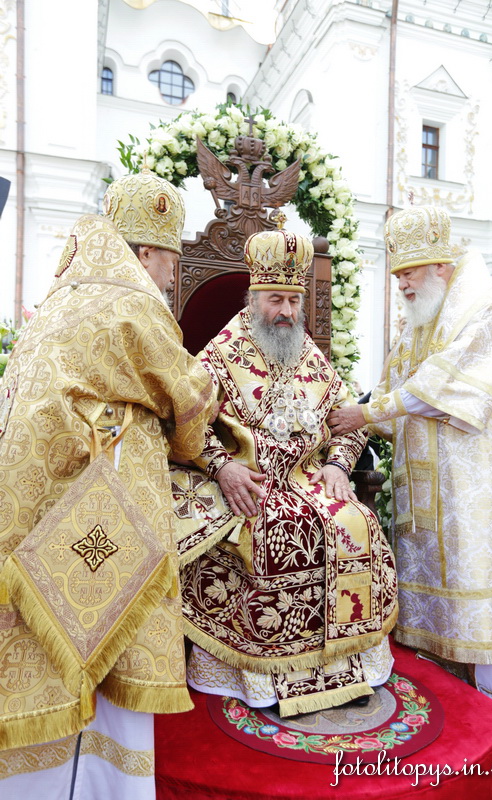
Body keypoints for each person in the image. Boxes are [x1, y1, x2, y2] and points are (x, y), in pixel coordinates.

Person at [0, 166, 216, 796]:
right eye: (171, 262)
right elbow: (187, 392)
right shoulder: (132, 302)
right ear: (146, 253)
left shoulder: (63, 296)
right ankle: (99, 782)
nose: (173, 276)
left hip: (33, 495)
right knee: (105, 631)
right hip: (93, 489)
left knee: (43, 640)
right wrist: (222, 440)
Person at [328, 205, 492, 748]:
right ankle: (453, 713)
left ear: (441, 267)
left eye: (409, 274)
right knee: (434, 607)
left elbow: (441, 389)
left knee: (474, 595)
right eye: (396, 276)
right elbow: (388, 392)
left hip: (472, 496)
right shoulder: (419, 326)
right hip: (423, 495)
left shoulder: (486, 315)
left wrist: (367, 415)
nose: (401, 285)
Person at [173, 227, 398, 718]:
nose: (288, 313)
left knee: (357, 521)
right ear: (254, 299)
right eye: (276, 300)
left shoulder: (307, 352)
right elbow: (185, 423)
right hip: (248, 486)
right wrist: (223, 466)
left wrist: (339, 465)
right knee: (276, 530)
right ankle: (261, 678)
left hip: (311, 481)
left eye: (294, 302)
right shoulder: (220, 353)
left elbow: (346, 418)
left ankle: (349, 669)